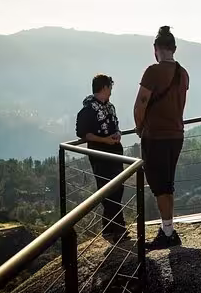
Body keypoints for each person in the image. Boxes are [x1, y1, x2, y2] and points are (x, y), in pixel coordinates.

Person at [134, 26, 189, 250]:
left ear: (156, 49)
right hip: (176, 134)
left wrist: (139, 127)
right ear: (174, 48)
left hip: (155, 135)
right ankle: (168, 228)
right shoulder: (183, 72)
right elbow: (181, 105)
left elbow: (140, 104)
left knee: (158, 186)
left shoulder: (152, 71)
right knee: (168, 184)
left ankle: (167, 233)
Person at [76, 74, 128, 241]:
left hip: (115, 151)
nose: (111, 92)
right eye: (110, 88)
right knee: (107, 189)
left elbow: (115, 124)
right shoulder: (88, 109)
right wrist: (104, 140)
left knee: (118, 188)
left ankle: (111, 227)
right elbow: (84, 133)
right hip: (99, 154)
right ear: (104, 88)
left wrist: (118, 134)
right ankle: (116, 228)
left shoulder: (110, 107)